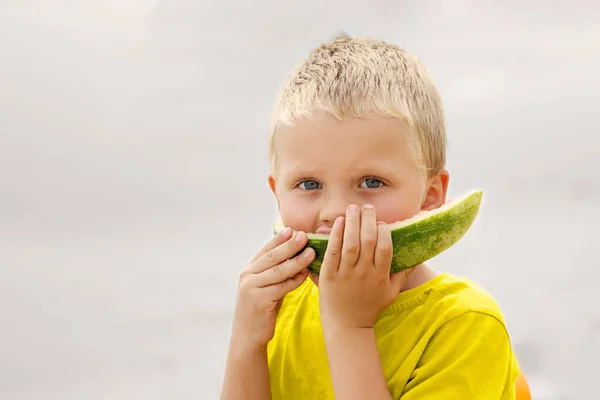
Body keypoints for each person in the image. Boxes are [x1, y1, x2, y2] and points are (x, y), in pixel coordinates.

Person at [220, 34, 520, 400]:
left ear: (430, 196)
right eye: (309, 183)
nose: (334, 212)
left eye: (371, 182)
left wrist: (348, 326)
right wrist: (245, 345)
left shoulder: (465, 324)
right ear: (277, 194)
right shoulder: (280, 307)